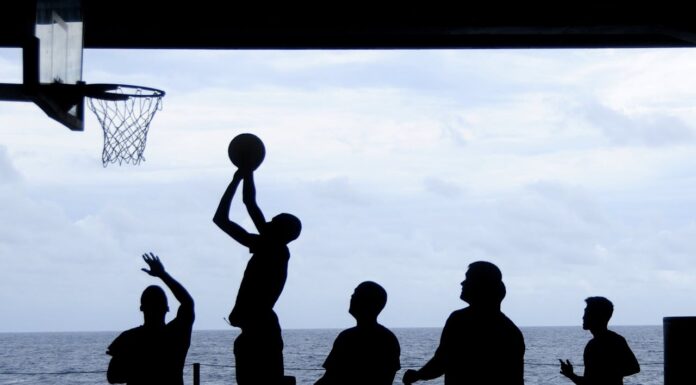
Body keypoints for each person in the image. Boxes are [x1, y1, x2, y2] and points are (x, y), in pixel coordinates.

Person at [213, 169, 301, 385]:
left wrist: (241, 176)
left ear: (280, 231)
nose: (267, 223)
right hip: (259, 328)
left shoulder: (274, 249)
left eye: (273, 222)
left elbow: (239, 209)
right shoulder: (270, 247)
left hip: (260, 331)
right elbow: (244, 205)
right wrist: (245, 173)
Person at [402, 261, 525, 385]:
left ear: (481, 286)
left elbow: (442, 361)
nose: (463, 283)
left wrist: (417, 375)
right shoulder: (511, 331)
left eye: (468, 279)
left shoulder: (460, 320)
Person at [106, 253, 195, 385]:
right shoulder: (176, 334)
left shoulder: (128, 338)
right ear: (167, 308)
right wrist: (162, 274)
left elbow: (113, 377)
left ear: (142, 308)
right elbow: (188, 303)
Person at [315, 281, 401, 385]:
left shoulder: (348, 338)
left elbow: (330, 378)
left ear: (367, 302)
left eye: (357, 293)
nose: (352, 296)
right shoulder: (389, 338)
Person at [559, 296, 640, 385]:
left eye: (587, 313)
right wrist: (571, 375)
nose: (583, 317)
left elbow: (634, 368)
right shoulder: (594, 344)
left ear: (597, 316)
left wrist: (606, 374)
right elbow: (589, 381)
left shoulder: (613, 341)